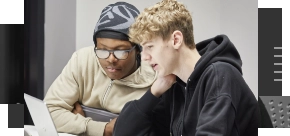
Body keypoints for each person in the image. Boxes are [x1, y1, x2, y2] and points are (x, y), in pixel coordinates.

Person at [113, 0, 261, 135]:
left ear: (176, 40)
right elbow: (122, 132)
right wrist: (153, 92)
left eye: (150, 47)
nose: (144, 57)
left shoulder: (219, 76)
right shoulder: (174, 85)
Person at [43, 2, 157, 136]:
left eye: (121, 51)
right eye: (103, 50)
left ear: (138, 49)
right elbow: (49, 112)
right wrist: (103, 129)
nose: (111, 59)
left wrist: (78, 124)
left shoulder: (156, 80)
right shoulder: (83, 60)